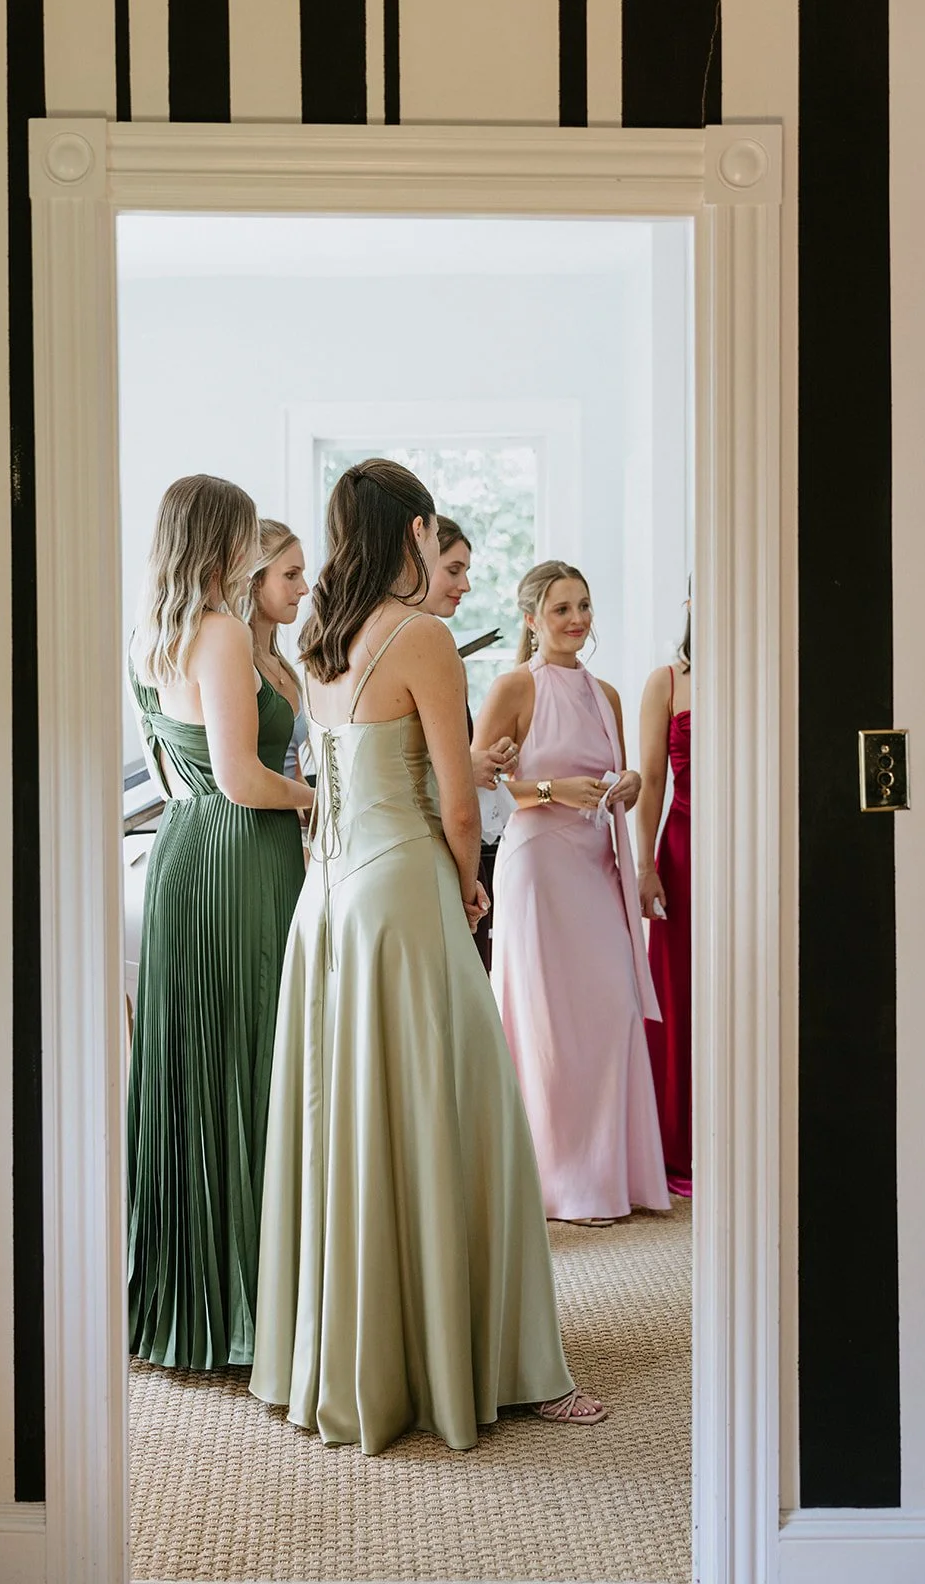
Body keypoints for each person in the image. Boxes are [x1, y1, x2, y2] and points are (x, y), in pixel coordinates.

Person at [250, 460, 606, 1452]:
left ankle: (356, 1354)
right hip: (402, 891)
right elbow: (458, 802)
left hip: (325, 902)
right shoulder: (423, 638)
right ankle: (493, 1360)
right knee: (466, 1110)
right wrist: (466, 882)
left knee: (353, 1121)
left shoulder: (318, 637)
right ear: (414, 530)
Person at [127, 474, 313, 1370]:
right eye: (244, 535)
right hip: (242, 849)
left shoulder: (150, 638)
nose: (251, 550)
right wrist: (316, 798)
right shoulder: (223, 632)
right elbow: (243, 778)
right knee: (247, 1053)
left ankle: (191, 1291)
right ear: (220, 543)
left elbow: (195, 770)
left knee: (197, 1062)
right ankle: (248, 1298)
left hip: (183, 850)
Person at [473, 561, 670, 1227]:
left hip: (596, 868)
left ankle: (611, 1175)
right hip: (538, 869)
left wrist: (629, 785)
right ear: (531, 618)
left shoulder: (605, 694)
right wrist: (555, 790)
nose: (576, 619)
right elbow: (479, 783)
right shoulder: (512, 688)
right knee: (547, 1027)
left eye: (582, 605)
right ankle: (555, 1183)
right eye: (560, 608)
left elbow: (622, 774)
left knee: (612, 1009)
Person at [422, 514, 518, 968]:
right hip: (438, 849)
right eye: (454, 570)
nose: (466, 585)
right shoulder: (426, 645)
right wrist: (467, 765)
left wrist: (478, 760)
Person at [637, 595, 693, 1198]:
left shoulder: (761, 669)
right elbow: (651, 779)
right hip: (682, 849)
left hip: (750, 849)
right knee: (678, 990)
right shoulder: (666, 680)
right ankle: (676, 1144)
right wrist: (646, 864)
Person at [246, 518, 311, 784]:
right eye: (291, 574)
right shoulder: (238, 668)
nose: (304, 588)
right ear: (255, 580)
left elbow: (293, 771)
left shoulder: (284, 669)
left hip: (290, 823)